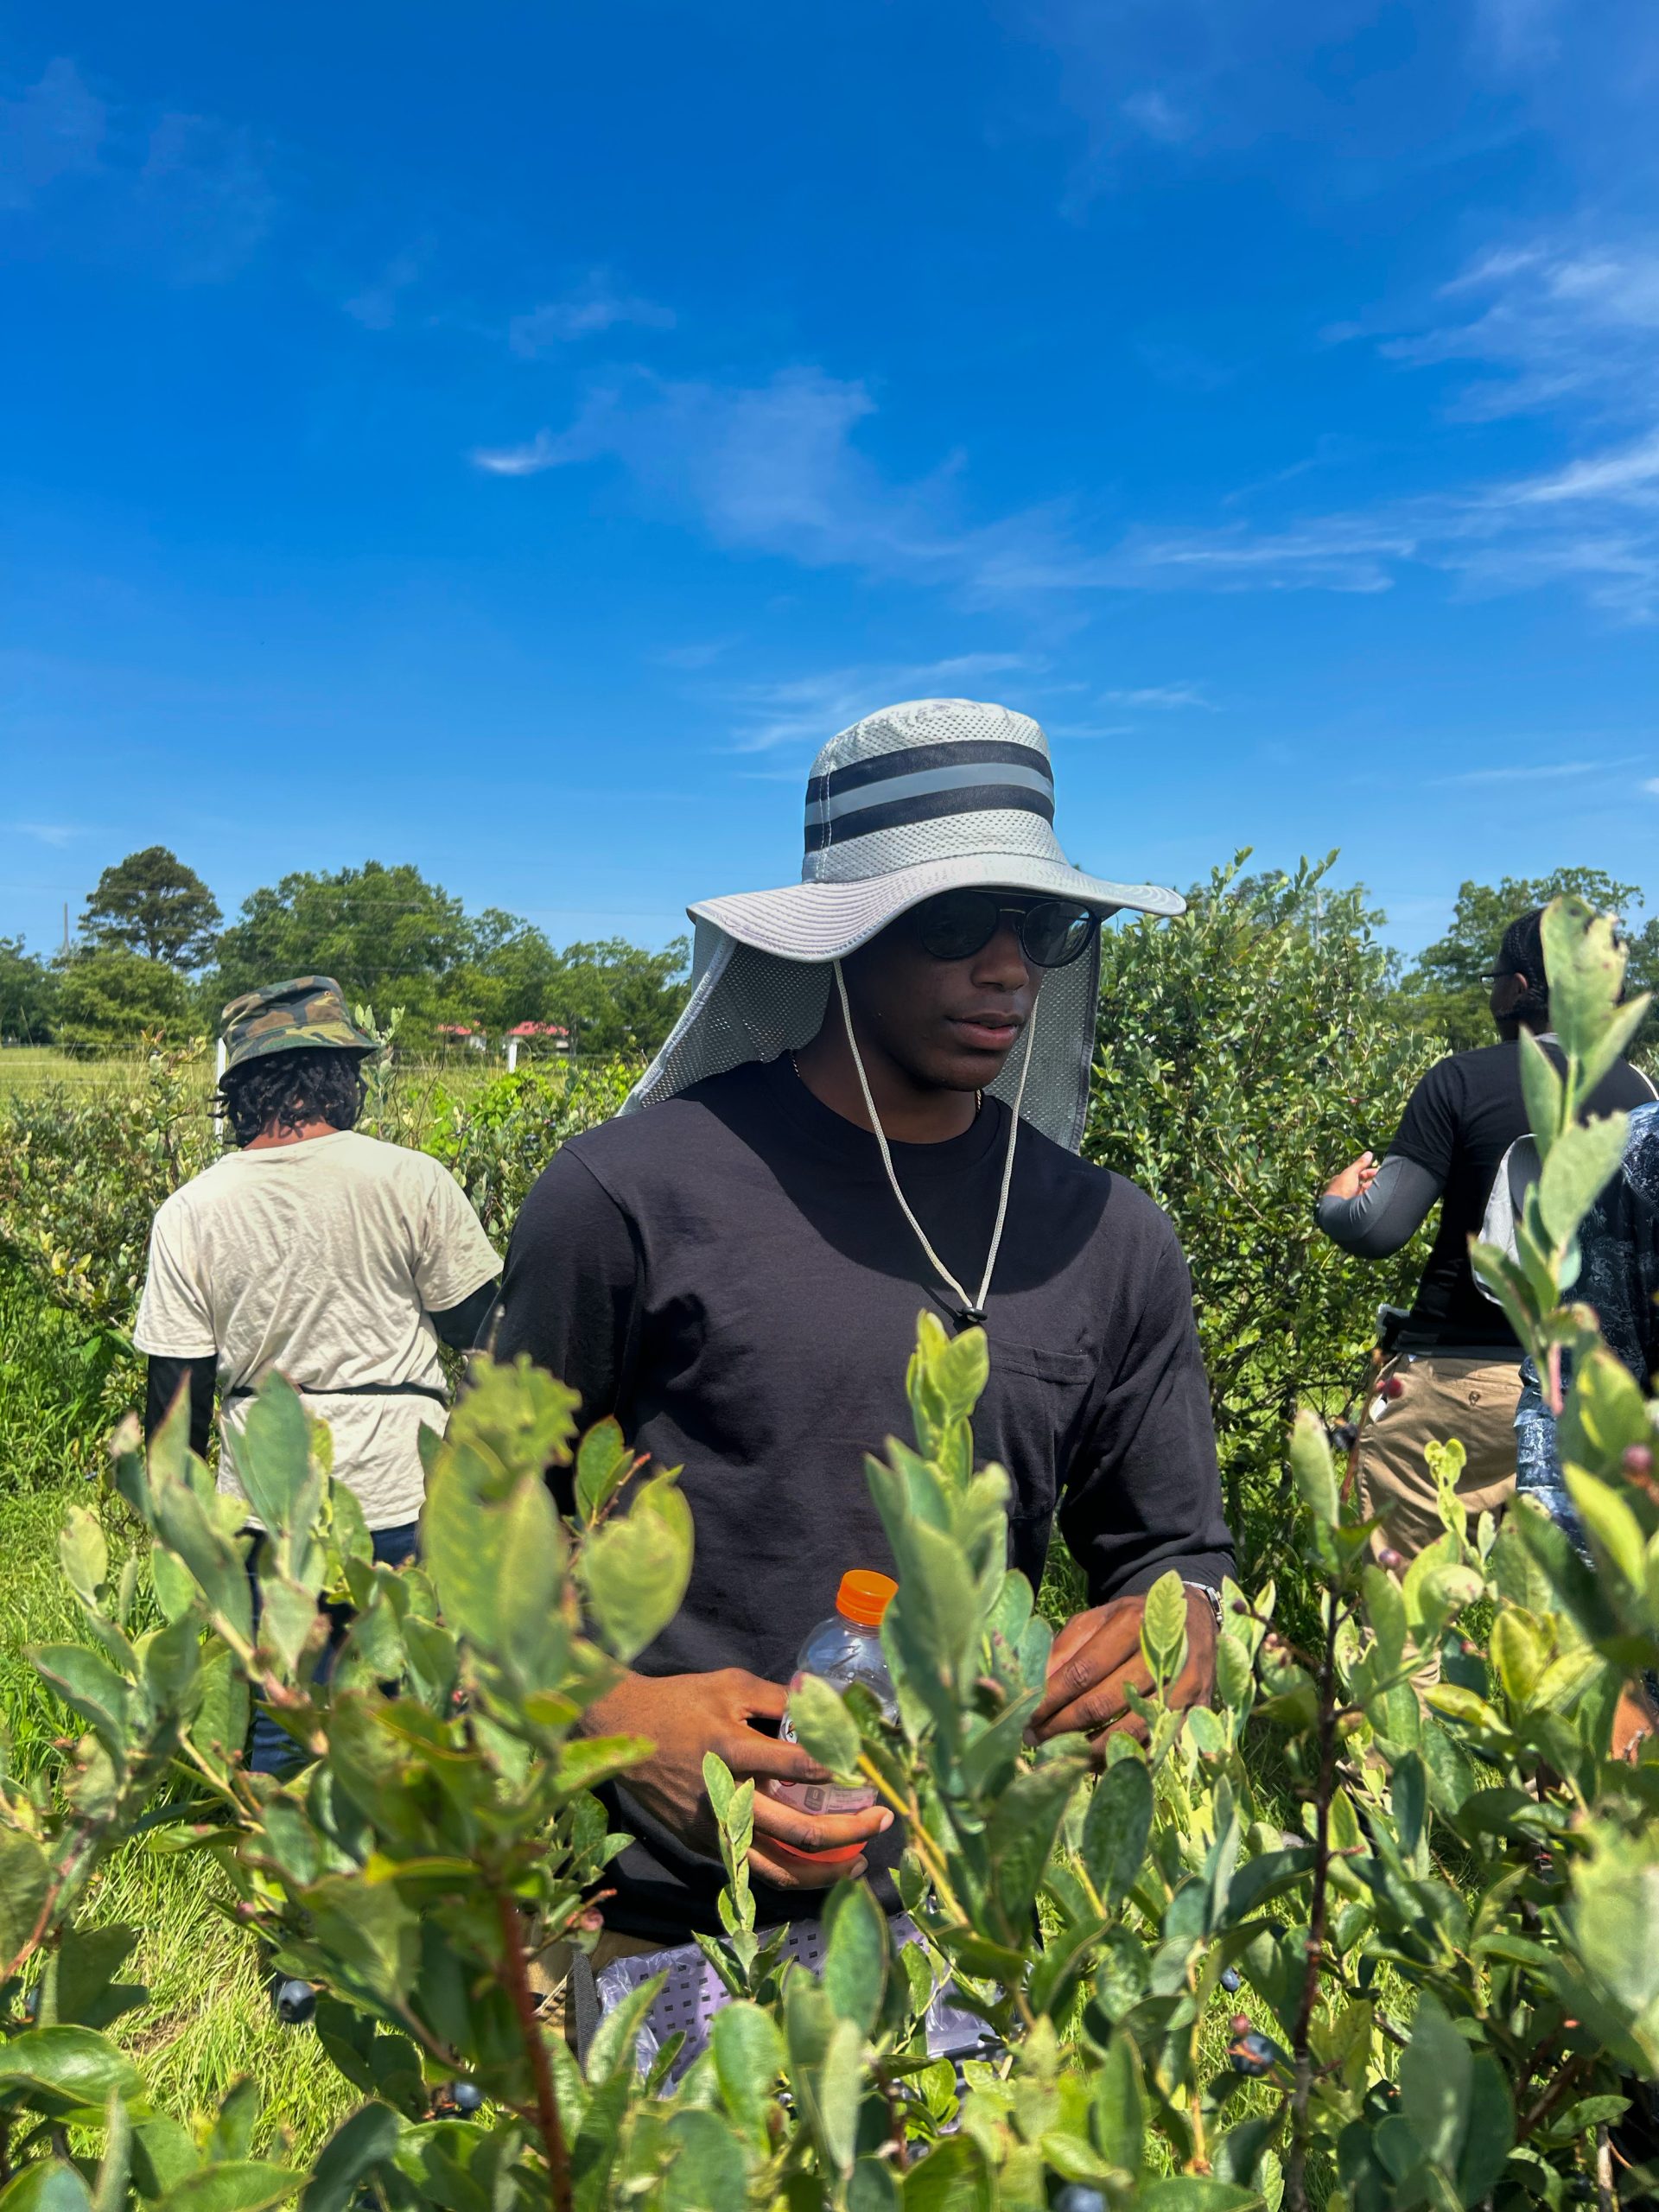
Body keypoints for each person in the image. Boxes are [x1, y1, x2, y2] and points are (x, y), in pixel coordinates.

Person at [490, 696, 1235, 1955]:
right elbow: (486, 1531)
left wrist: (1181, 1627)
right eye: (954, 921)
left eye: (1042, 924)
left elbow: (1174, 1548)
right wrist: (610, 1717)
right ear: (842, 933)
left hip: (968, 1924)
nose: (1008, 967)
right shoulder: (630, 1194)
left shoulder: (1110, 1236)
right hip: (654, 1918)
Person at [134, 976, 500, 1769]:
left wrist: (185, 1526)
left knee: (284, 1715)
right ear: (341, 1076)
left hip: (269, 1509)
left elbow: (177, 1394)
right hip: (407, 1493)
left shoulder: (193, 1209)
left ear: (239, 1089)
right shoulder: (411, 1179)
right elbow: (487, 1336)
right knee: (420, 1712)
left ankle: (286, 1840)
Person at [1316, 908, 1656, 1561]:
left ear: (1519, 988)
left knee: (1406, 1606)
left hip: (1461, 1384)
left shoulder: (1461, 1080)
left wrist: (1332, 1202)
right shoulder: (1644, 1094)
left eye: (1494, 978)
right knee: (1571, 1614)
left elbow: (1377, 1227)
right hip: (1594, 1398)